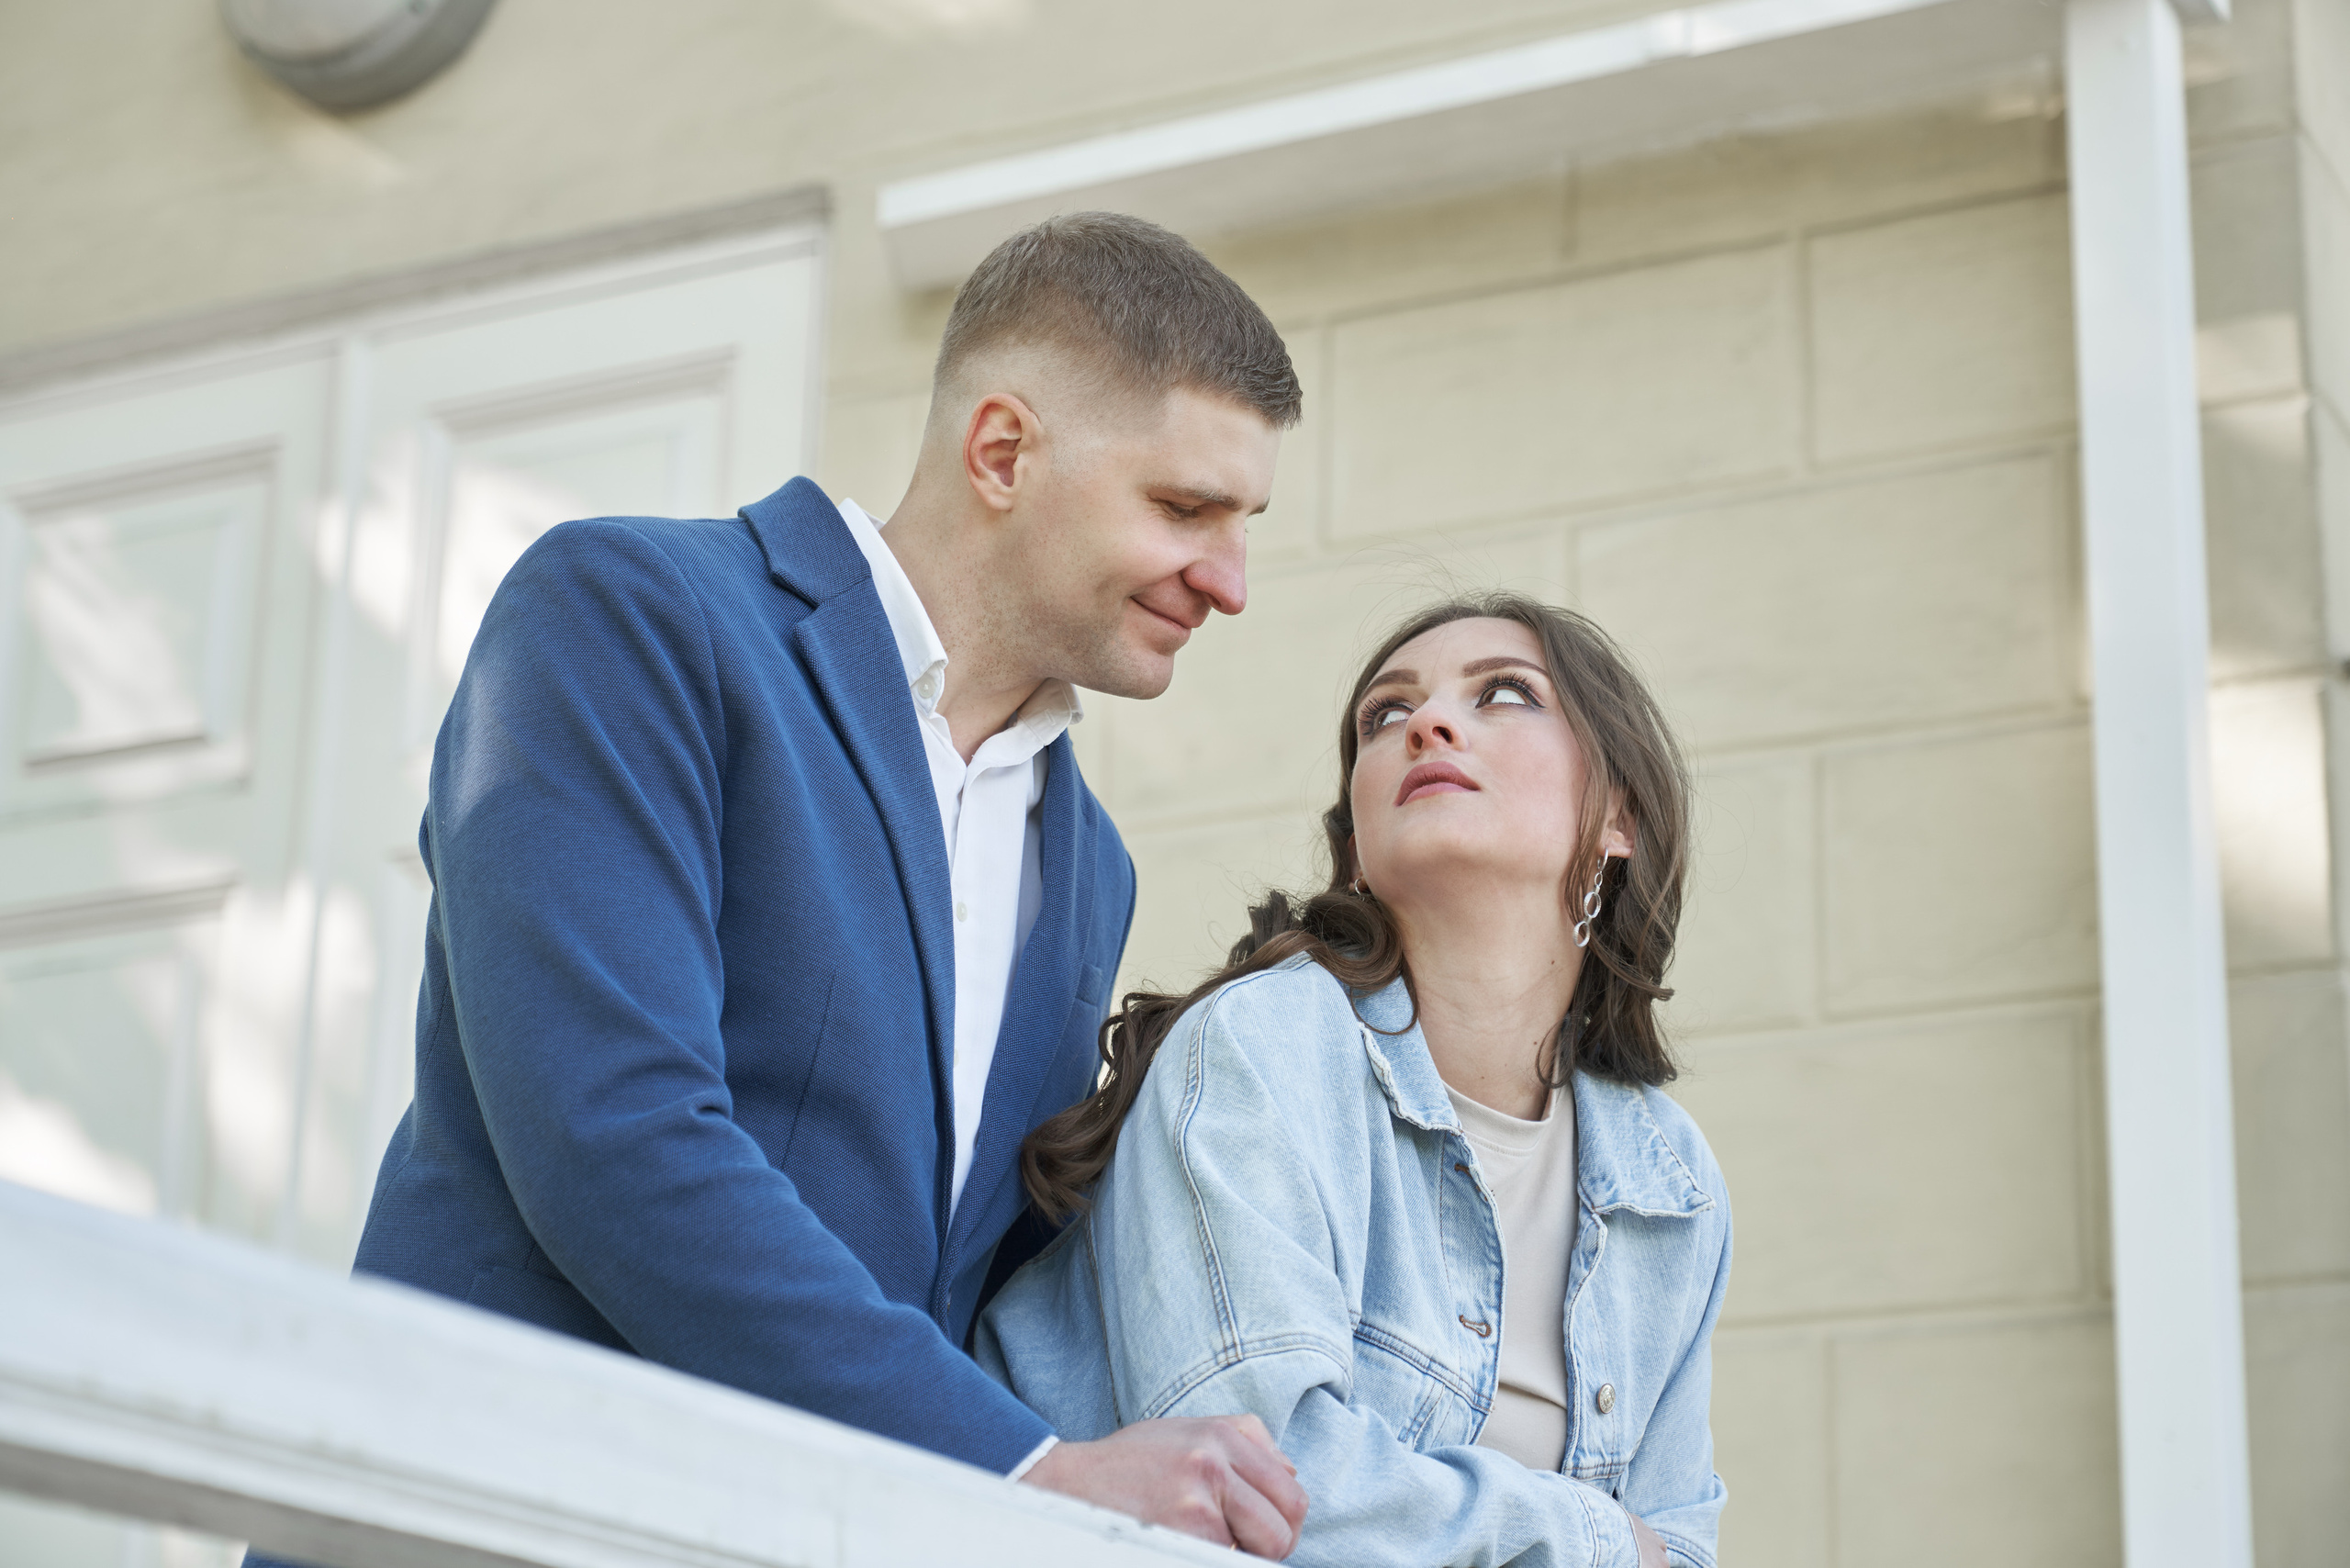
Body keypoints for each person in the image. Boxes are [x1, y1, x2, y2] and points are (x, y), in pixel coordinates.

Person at [254, 212, 1311, 1562]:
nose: (1227, 581)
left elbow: (968, 1296)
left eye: (1246, 525)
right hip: (487, 1526)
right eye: (1183, 509)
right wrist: (1026, 1468)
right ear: (1003, 450)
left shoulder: (1086, 862)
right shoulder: (633, 614)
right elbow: (613, 1135)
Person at [978, 592, 1733, 1568]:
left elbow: (1679, 1542)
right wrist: (1590, 1538)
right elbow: (1258, 1491)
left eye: (1505, 694)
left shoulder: (1666, 1178)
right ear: (1357, 846)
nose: (1428, 723)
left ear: (1618, 815)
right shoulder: (1262, 1047)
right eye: (1386, 715)